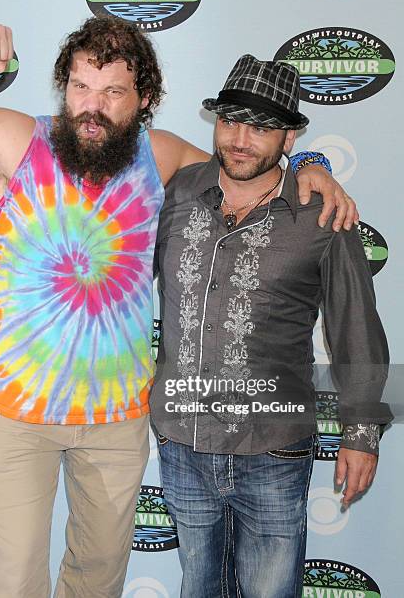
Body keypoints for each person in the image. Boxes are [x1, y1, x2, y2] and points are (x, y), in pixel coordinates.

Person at [0, 19, 355, 598]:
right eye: (79, 87)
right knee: (16, 579)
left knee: (99, 580)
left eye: (113, 92)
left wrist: (312, 164)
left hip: (117, 420)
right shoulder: (12, 140)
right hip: (17, 413)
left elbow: (250, 166)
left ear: (144, 100)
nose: (91, 107)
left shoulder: (162, 155)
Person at [150, 54, 391, 598]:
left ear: (289, 137)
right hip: (182, 443)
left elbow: (357, 328)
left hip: (273, 450)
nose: (240, 139)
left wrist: (360, 434)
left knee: (270, 591)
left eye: (260, 127)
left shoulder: (322, 215)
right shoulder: (178, 192)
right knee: (197, 588)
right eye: (230, 120)